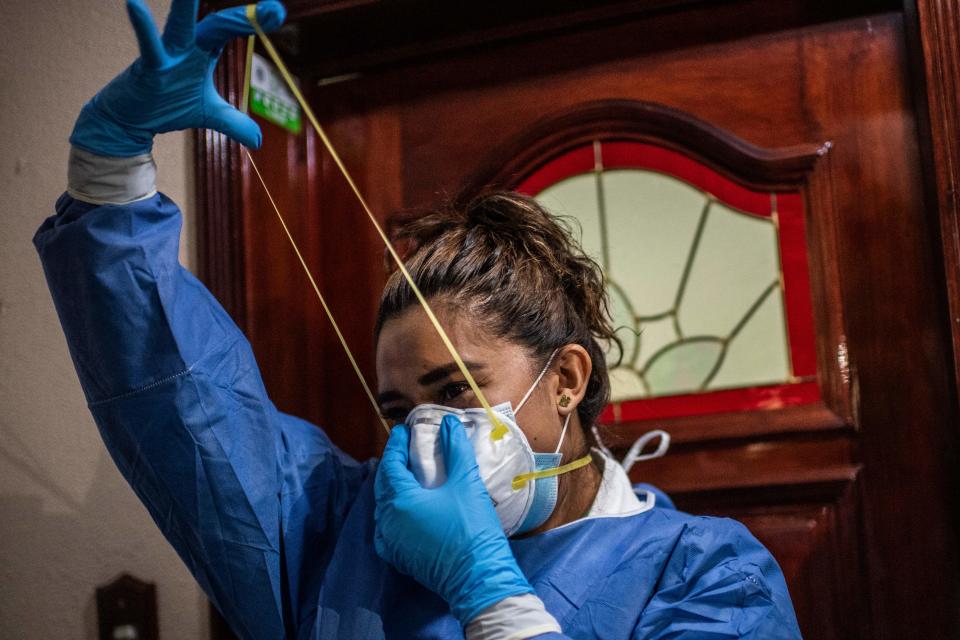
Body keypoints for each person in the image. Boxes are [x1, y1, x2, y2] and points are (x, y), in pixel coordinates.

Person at [34, 1, 803, 638]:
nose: (425, 433)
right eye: (398, 409)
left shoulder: (707, 577)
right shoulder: (341, 523)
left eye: (457, 389)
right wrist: (110, 173)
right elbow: (182, 402)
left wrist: (488, 593)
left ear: (566, 377)